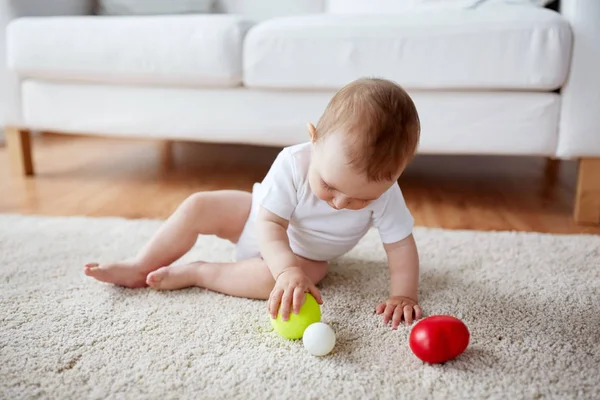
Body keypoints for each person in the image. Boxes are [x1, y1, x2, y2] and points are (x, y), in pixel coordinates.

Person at [85, 77, 423, 330]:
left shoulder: (388, 192)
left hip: (309, 256)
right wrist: (285, 268)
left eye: (362, 199)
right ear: (313, 138)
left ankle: (199, 273)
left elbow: (400, 246)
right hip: (255, 217)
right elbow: (269, 224)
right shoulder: (293, 162)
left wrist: (403, 294)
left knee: (280, 283)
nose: (339, 203)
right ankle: (140, 264)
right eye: (329, 186)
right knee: (198, 205)